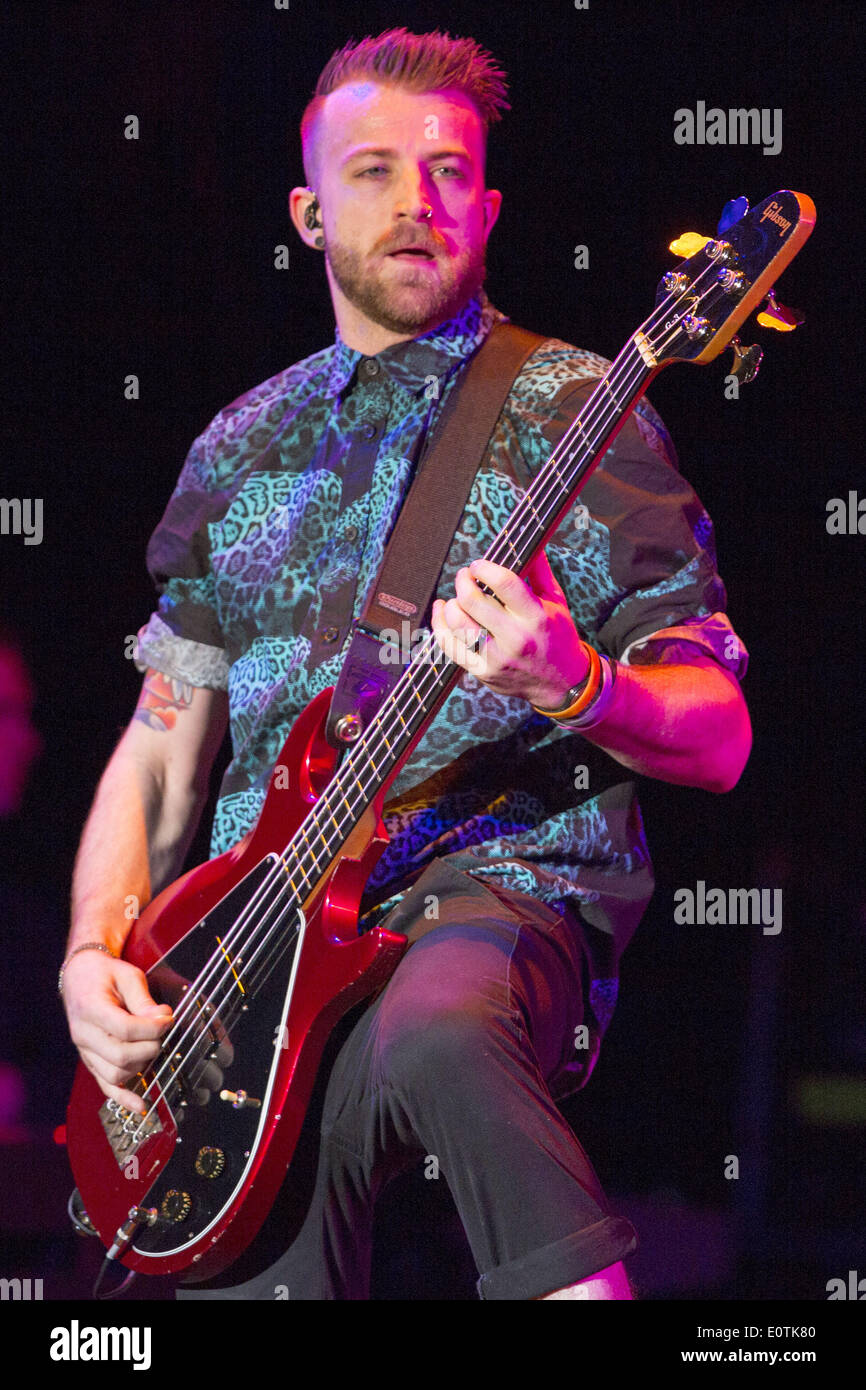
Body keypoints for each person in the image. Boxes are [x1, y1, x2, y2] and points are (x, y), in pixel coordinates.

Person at [60, 27, 751, 1301]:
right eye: (371, 171)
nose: (413, 203)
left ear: (487, 204)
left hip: (489, 891)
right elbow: (162, 745)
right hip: (262, 956)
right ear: (309, 213)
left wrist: (575, 683)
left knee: (438, 1029)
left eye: (445, 173)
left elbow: (716, 736)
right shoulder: (238, 441)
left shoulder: (573, 406)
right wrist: (90, 951)